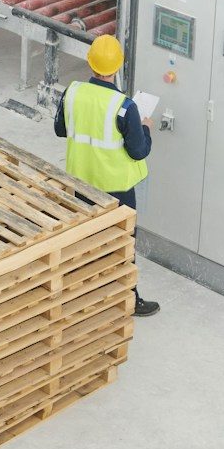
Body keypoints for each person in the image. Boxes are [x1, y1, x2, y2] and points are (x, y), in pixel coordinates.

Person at [54, 33, 161, 317]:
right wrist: (145, 127)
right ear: (117, 67)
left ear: (90, 63)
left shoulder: (72, 92)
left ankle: (79, 297)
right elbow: (138, 151)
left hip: (81, 183)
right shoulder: (125, 108)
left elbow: (60, 129)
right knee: (122, 245)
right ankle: (128, 299)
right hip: (117, 190)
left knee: (83, 242)